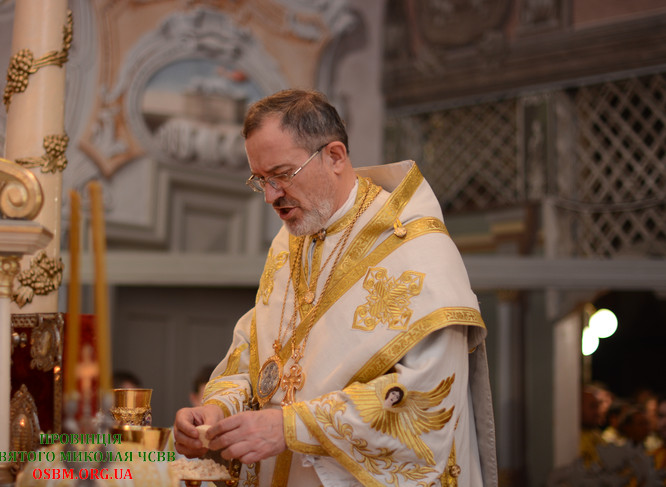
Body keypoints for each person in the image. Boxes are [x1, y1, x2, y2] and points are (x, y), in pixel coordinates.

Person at [173, 89, 497, 486]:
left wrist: (292, 427)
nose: (271, 196)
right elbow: (259, 354)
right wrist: (219, 409)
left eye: (282, 175)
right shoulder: (291, 241)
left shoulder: (418, 252)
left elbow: (425, 400)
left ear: (335, 156)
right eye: (261, 180)